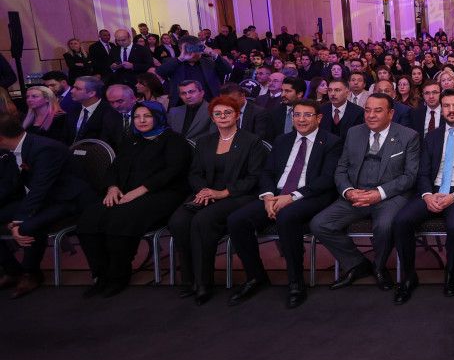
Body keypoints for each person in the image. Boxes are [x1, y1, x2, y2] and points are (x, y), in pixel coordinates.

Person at [226, 99, 344, 309]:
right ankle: (255, 276)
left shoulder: (331, 142)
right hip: (276, 195)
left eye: (307, 115)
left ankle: (296, 282)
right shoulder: (282, 140)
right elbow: (267, 172)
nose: (301, 119)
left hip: (310, 195)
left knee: (286, 217)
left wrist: (292, 197)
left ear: (319, 118)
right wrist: (268, 196)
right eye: (297, 115)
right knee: (237, 220)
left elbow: (327, 179)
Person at [75, 101, 190, 297]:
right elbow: (114, 168)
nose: (141, 120)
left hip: (162, 194)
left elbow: (173, 172)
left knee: (120, 219)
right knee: (89, 218)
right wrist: (112, 187)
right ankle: (101, 275)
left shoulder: (174, 141)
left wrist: (141, 190)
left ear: (158, 117)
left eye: (147, 116)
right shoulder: (131, 140)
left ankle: (119, 276)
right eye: (137, 117)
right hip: (125, 193)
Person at [309, 93, 419, 291]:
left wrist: (379, 193)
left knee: (385, 226)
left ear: (390, 113)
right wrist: (348, 191)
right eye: (367, 110)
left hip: (389, 196)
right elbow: (341, 169)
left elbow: (410, 176)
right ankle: (357, 264)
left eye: (378, 110)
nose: (371, 115)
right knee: (320, 224)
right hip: (356, 195)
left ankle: (379, 266)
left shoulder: (408, 136)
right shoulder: (354, 133)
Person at [168, 96, 269, 305]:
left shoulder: (251, 141)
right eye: (218, 114)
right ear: (212, 118)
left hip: (238, 195)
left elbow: (254, 177)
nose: (223, 116)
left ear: (237, 115)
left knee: (203, 220)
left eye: (227, 112)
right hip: (206, 192)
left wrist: (222, 193)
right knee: (178, 221)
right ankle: (189, 279)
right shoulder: (204, 141)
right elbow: (194, 173)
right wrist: (204, 190)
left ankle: (204, 282)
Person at [393, 88, 454, 303]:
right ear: (441, 108)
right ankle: (409, 276)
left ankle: (450, 272)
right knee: (401, 221)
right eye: (446, 106)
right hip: (433, 190)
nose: (451, 110)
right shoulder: (431, 137)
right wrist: (428, 195)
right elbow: (423, 172)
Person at [0, 113, 94, 297]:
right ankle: (12, 271)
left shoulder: (45, 149)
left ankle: (31, 273)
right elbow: (9, 185)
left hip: (66, 200)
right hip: (39, 199)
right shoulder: (8, 152)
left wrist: (19, 219)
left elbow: (40, 188)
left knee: (28, 226)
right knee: (24, 216)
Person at [155, 37, 232, 102]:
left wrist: (213, 53)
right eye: (189, 49)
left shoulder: (209, 61)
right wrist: (180, 59)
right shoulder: (174, 62)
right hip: (181, 105)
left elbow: (228, 70)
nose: (194, 53)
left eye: (196, 48)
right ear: (180, 49)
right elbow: (160, 72)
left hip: (209, 102)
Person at [68, 75, 122, 146]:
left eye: (77, 89)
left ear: (91, 93)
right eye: (73, 87)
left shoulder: (109, 113)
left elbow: (106, 142)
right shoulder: (73, 108)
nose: (72, 91)